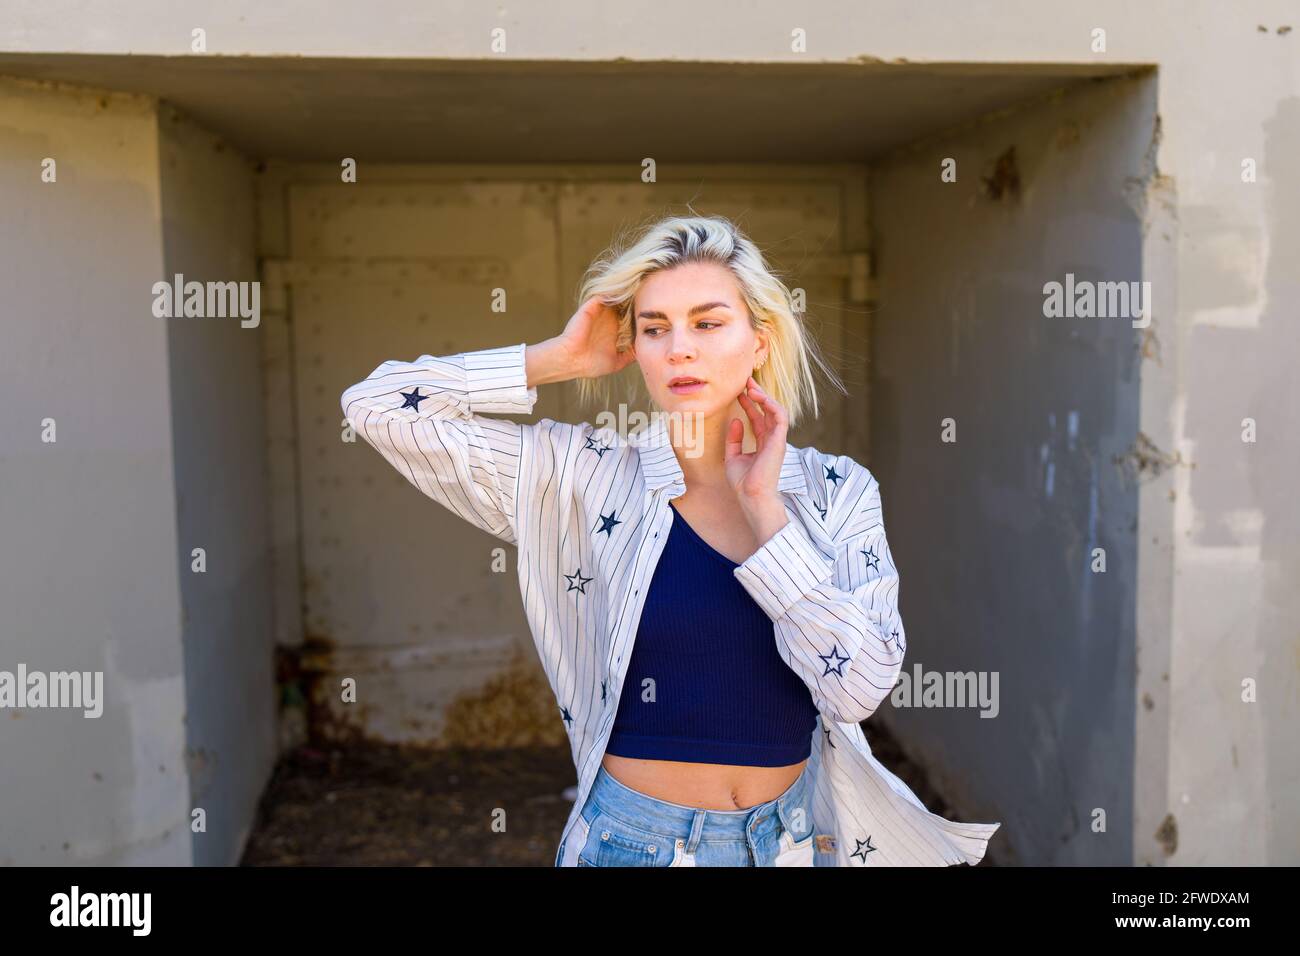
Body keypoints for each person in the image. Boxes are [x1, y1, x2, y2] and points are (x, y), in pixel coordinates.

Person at [340, 213, 1001, 866]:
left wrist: (765, 510)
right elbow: (376, 405)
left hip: (794, 843)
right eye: (655, 329)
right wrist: (558, 359)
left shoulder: (836, 491)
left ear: (760, 340)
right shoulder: (585, 475)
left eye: (708, 323)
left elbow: (857, 689)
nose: (679, 348)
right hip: (634, 845)